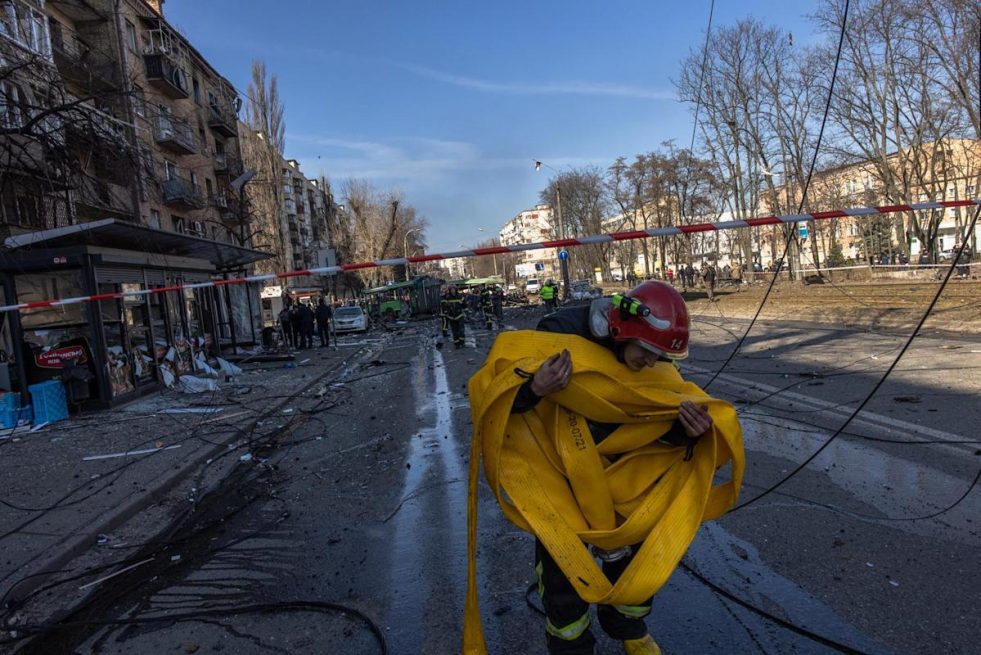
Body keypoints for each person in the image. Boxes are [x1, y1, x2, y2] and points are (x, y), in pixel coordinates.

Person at [499, 281, 729, 655]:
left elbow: (655, 421)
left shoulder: (658, 361)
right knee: (563, 569)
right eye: (648, 352)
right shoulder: (559, 334)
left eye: (660, 357)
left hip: (623, 474)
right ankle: (571, 646)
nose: (652, 363)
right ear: (624, 329)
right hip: (563, 474)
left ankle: (628, 627)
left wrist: (687, 431)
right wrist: (533, 389)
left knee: (638, 558)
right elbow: (498, 404)